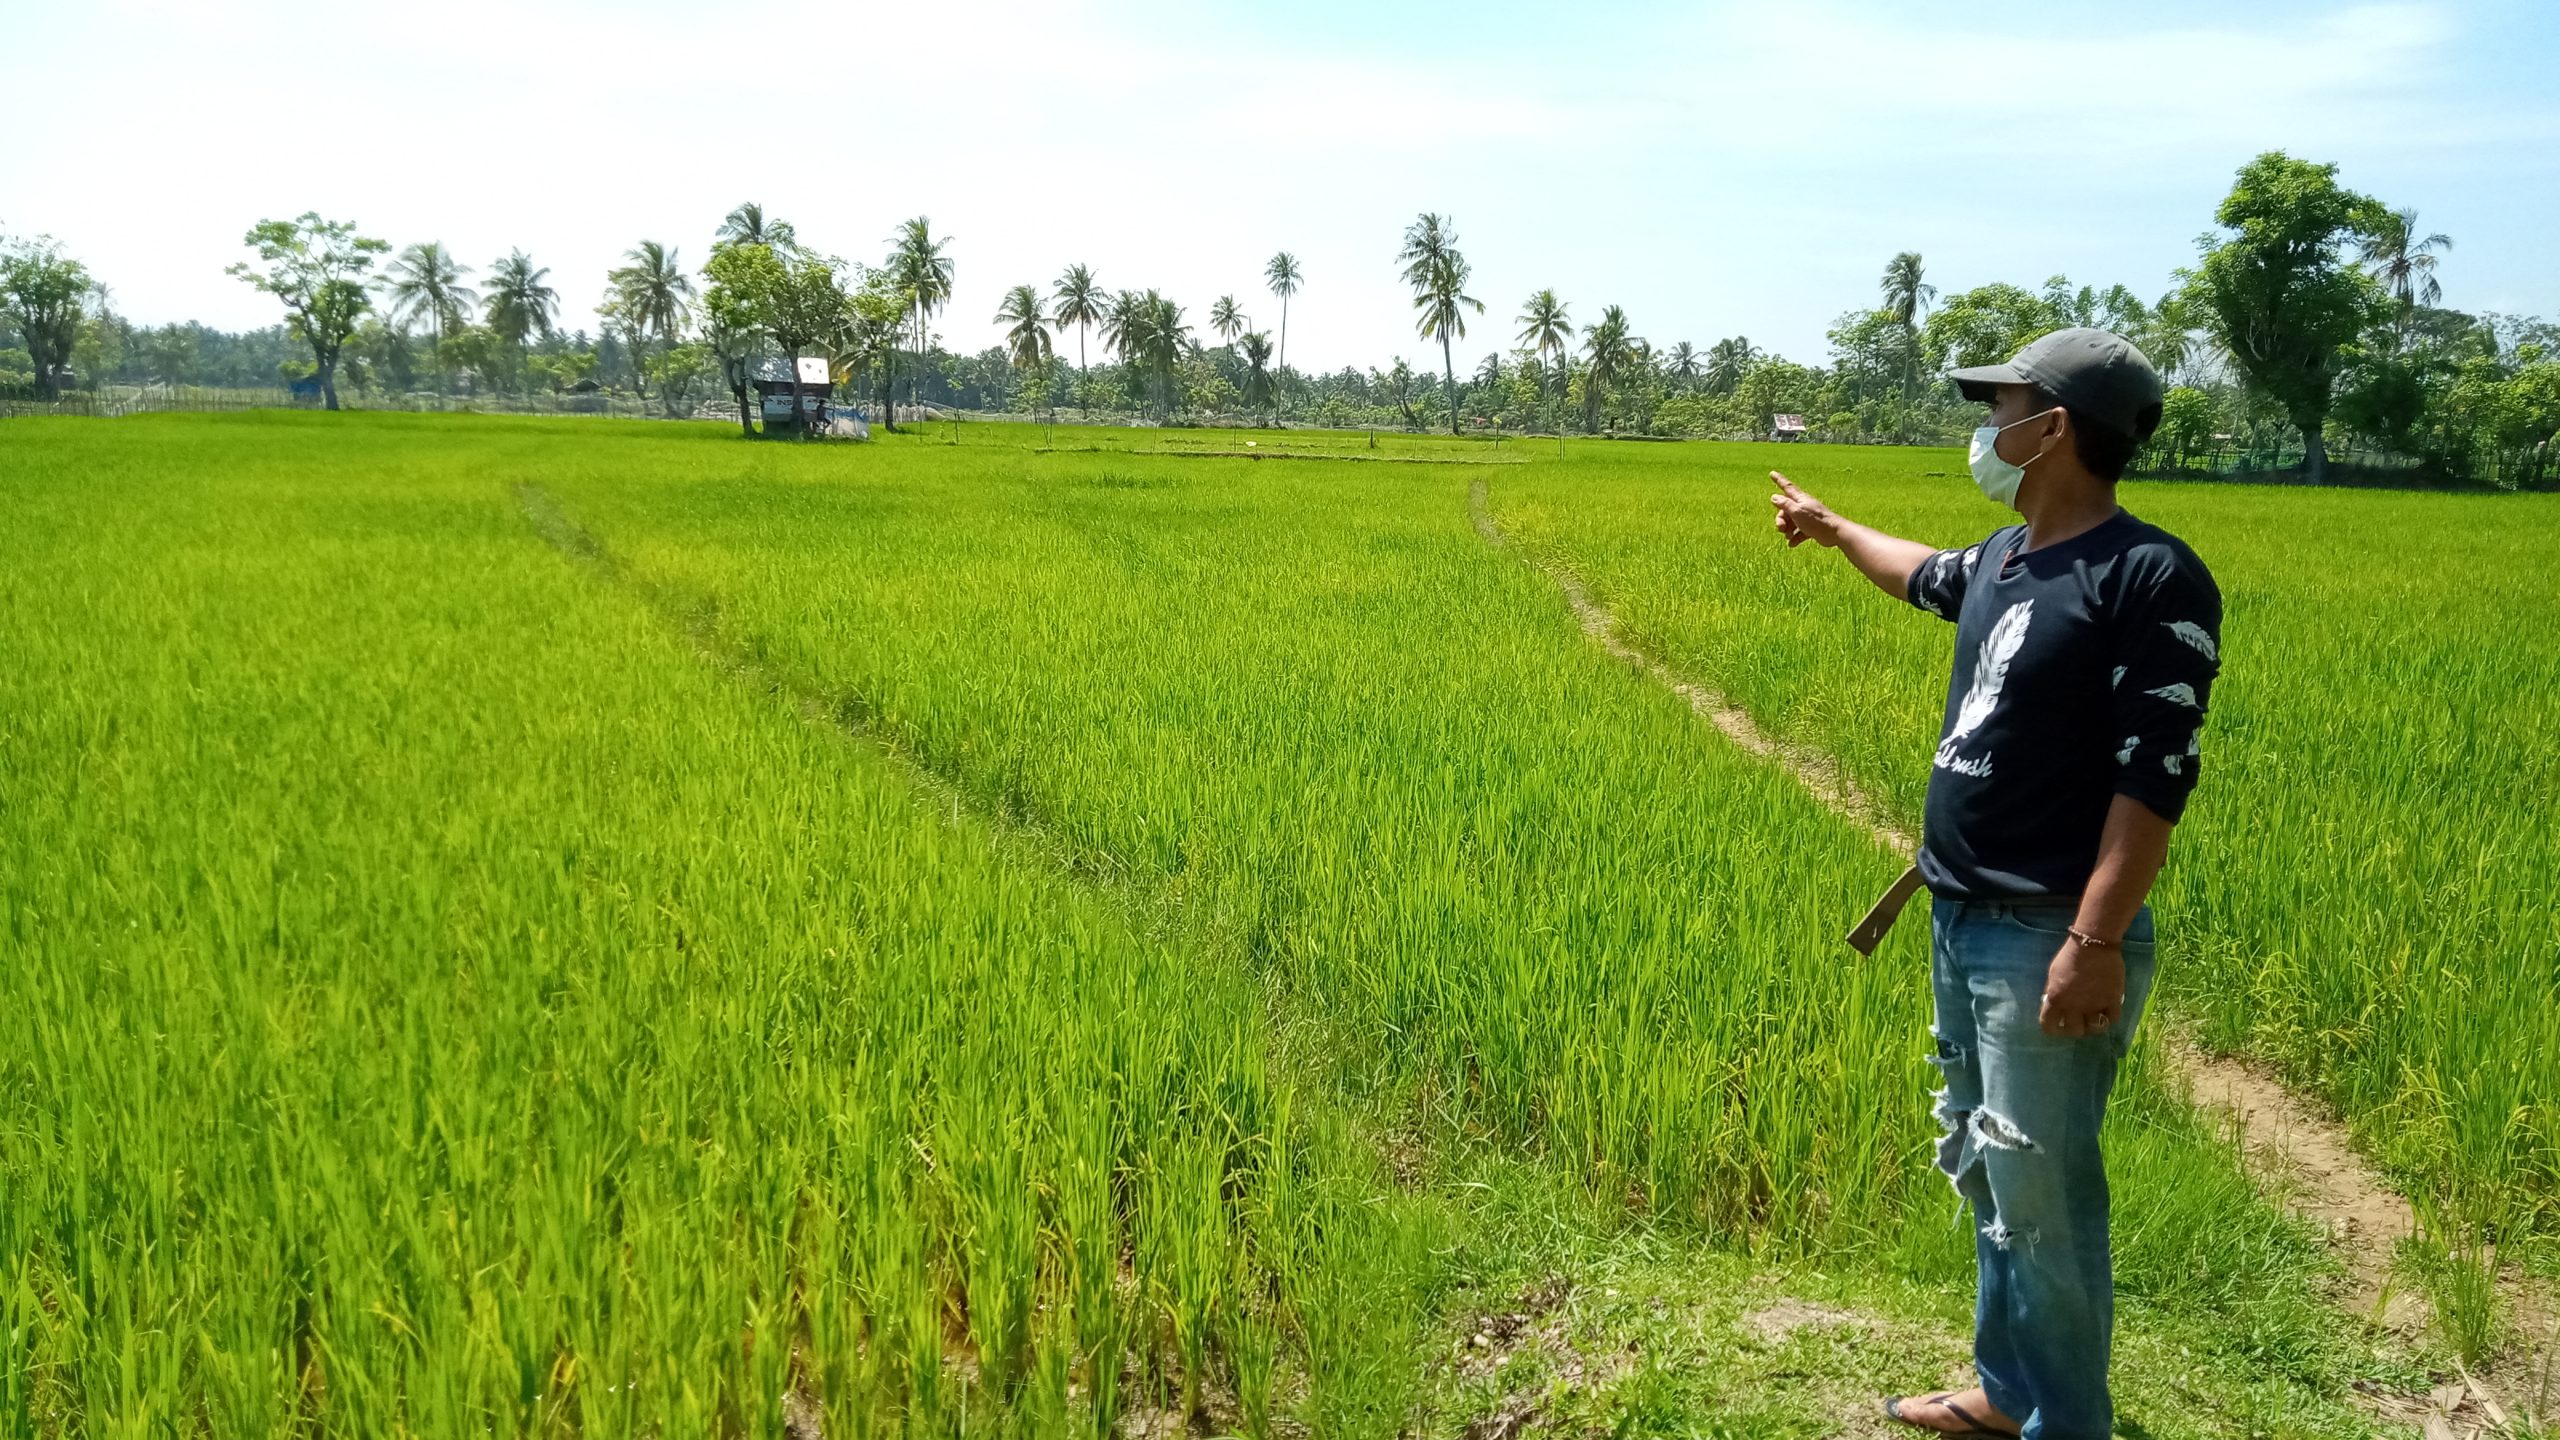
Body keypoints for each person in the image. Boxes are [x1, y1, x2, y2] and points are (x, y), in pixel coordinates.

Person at [1767, 328, 2222, 1439]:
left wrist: (2095, 938)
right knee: (1987, 1171)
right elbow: (1918, 572)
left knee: (2046, 1202)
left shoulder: (2146, 574)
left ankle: (2064, 1425)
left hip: (2045, 934)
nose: (1988, 424)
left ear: (2052, 427)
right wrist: (1830, 530)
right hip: (1962, 917)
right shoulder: (2004, 560)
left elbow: (2153, 778)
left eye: (2003, 403)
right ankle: (2004, 1391)